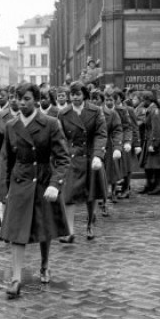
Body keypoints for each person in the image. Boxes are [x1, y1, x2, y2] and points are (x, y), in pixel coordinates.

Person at [0, 83, 70, 299]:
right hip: (20, 183)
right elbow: (6, 160)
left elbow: (63, 158)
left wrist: (55, 184)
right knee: (17, 233)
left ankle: (45, 263)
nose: (22, 103)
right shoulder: (11, 126)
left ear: (37, 100)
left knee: (43, 228)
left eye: (27, 98)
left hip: (43, 181)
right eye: (19, 99)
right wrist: (4, 189)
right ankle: (16, 278)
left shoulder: (50, 123)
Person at [57, 81, 107, 242]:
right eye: (72, 95)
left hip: (91, 156)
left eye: (78, 94)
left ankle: (90, 225)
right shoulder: (64, 113)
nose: (75, 98)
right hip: (72, 157)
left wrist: (98, 155)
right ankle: (69, 231)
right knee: (69, 194)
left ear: (84, 95)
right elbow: (60, 137)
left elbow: (101, 133)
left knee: (91, 193)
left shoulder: (95, 110)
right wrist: (62, 154)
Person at [139, 91, 160, 195]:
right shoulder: (150, 109)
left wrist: (154, 143)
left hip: (154, 139)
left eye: (143, 99)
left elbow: (156, 128)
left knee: (156, 165)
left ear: (148, 99)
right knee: (148, 164)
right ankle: (149, 184)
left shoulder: (154, 110)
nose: (142, 102)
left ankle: (158, 186)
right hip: (149, 138)